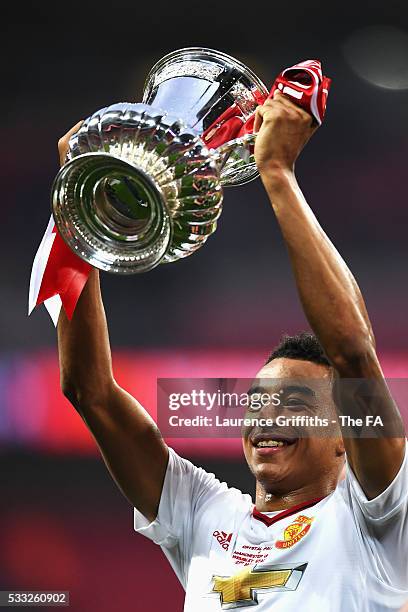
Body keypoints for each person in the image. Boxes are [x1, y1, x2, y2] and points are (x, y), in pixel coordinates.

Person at [57, 91, 407, 611]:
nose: (268, 417)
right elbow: (91, 392)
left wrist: (277, 172)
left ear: (345, 438)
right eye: (259, 403)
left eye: (295, 405)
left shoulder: (377, 520)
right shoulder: (204, 514)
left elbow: (354, 355)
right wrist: (78, 212)